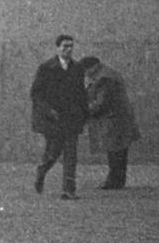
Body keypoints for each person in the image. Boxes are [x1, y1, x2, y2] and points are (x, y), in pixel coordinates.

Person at [30, 34, 88, 199]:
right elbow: (36, 94)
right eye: (65, 46)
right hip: (53, 119)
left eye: (71, 46)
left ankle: (68, 190)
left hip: (71, 118)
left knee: (71, 154)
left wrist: (84, 114)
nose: (68, 50)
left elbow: (81, 93)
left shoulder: (77, 68)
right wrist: (48, 110)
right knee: (53, 153)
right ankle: (42, 170)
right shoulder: (46, 68)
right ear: (58, 48)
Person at [81, 56, 140, 189]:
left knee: (115, 151)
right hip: (117, 118)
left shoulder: (105, 78)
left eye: (85, 70)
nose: (85, 74)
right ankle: (117, 180)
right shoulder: (106, 73)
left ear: (93, 67)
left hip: (114, 120)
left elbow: (101, 103)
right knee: (118, 150)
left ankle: (114, 181)